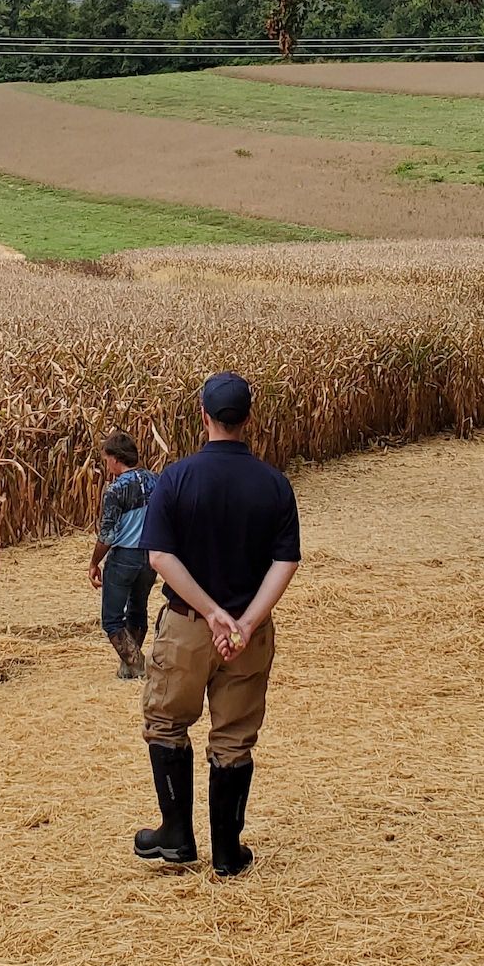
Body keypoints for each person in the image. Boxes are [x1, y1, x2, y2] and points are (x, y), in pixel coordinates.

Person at [134, 372, 300, 876]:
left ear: (202, 416)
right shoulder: (274, 484)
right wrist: (245, 622)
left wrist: (209, 612)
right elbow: (285, 561)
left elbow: (161, 557)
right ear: (249, 419)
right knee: (233, 737)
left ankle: (176, 837)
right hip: (247, 636)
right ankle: (228, 853)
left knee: (166, 723)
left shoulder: (176, 478)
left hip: (187, 625)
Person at [87, 430, 157, 680]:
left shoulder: (115, 490)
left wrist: (94, 562)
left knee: (112, 619)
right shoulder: (155, 480)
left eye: (106, 459)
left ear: (116, 459)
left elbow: (107, 533)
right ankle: (129, 668)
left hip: (124, 557)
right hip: (150, 556)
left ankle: (137, 664)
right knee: (138, 609)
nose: (106, 464)